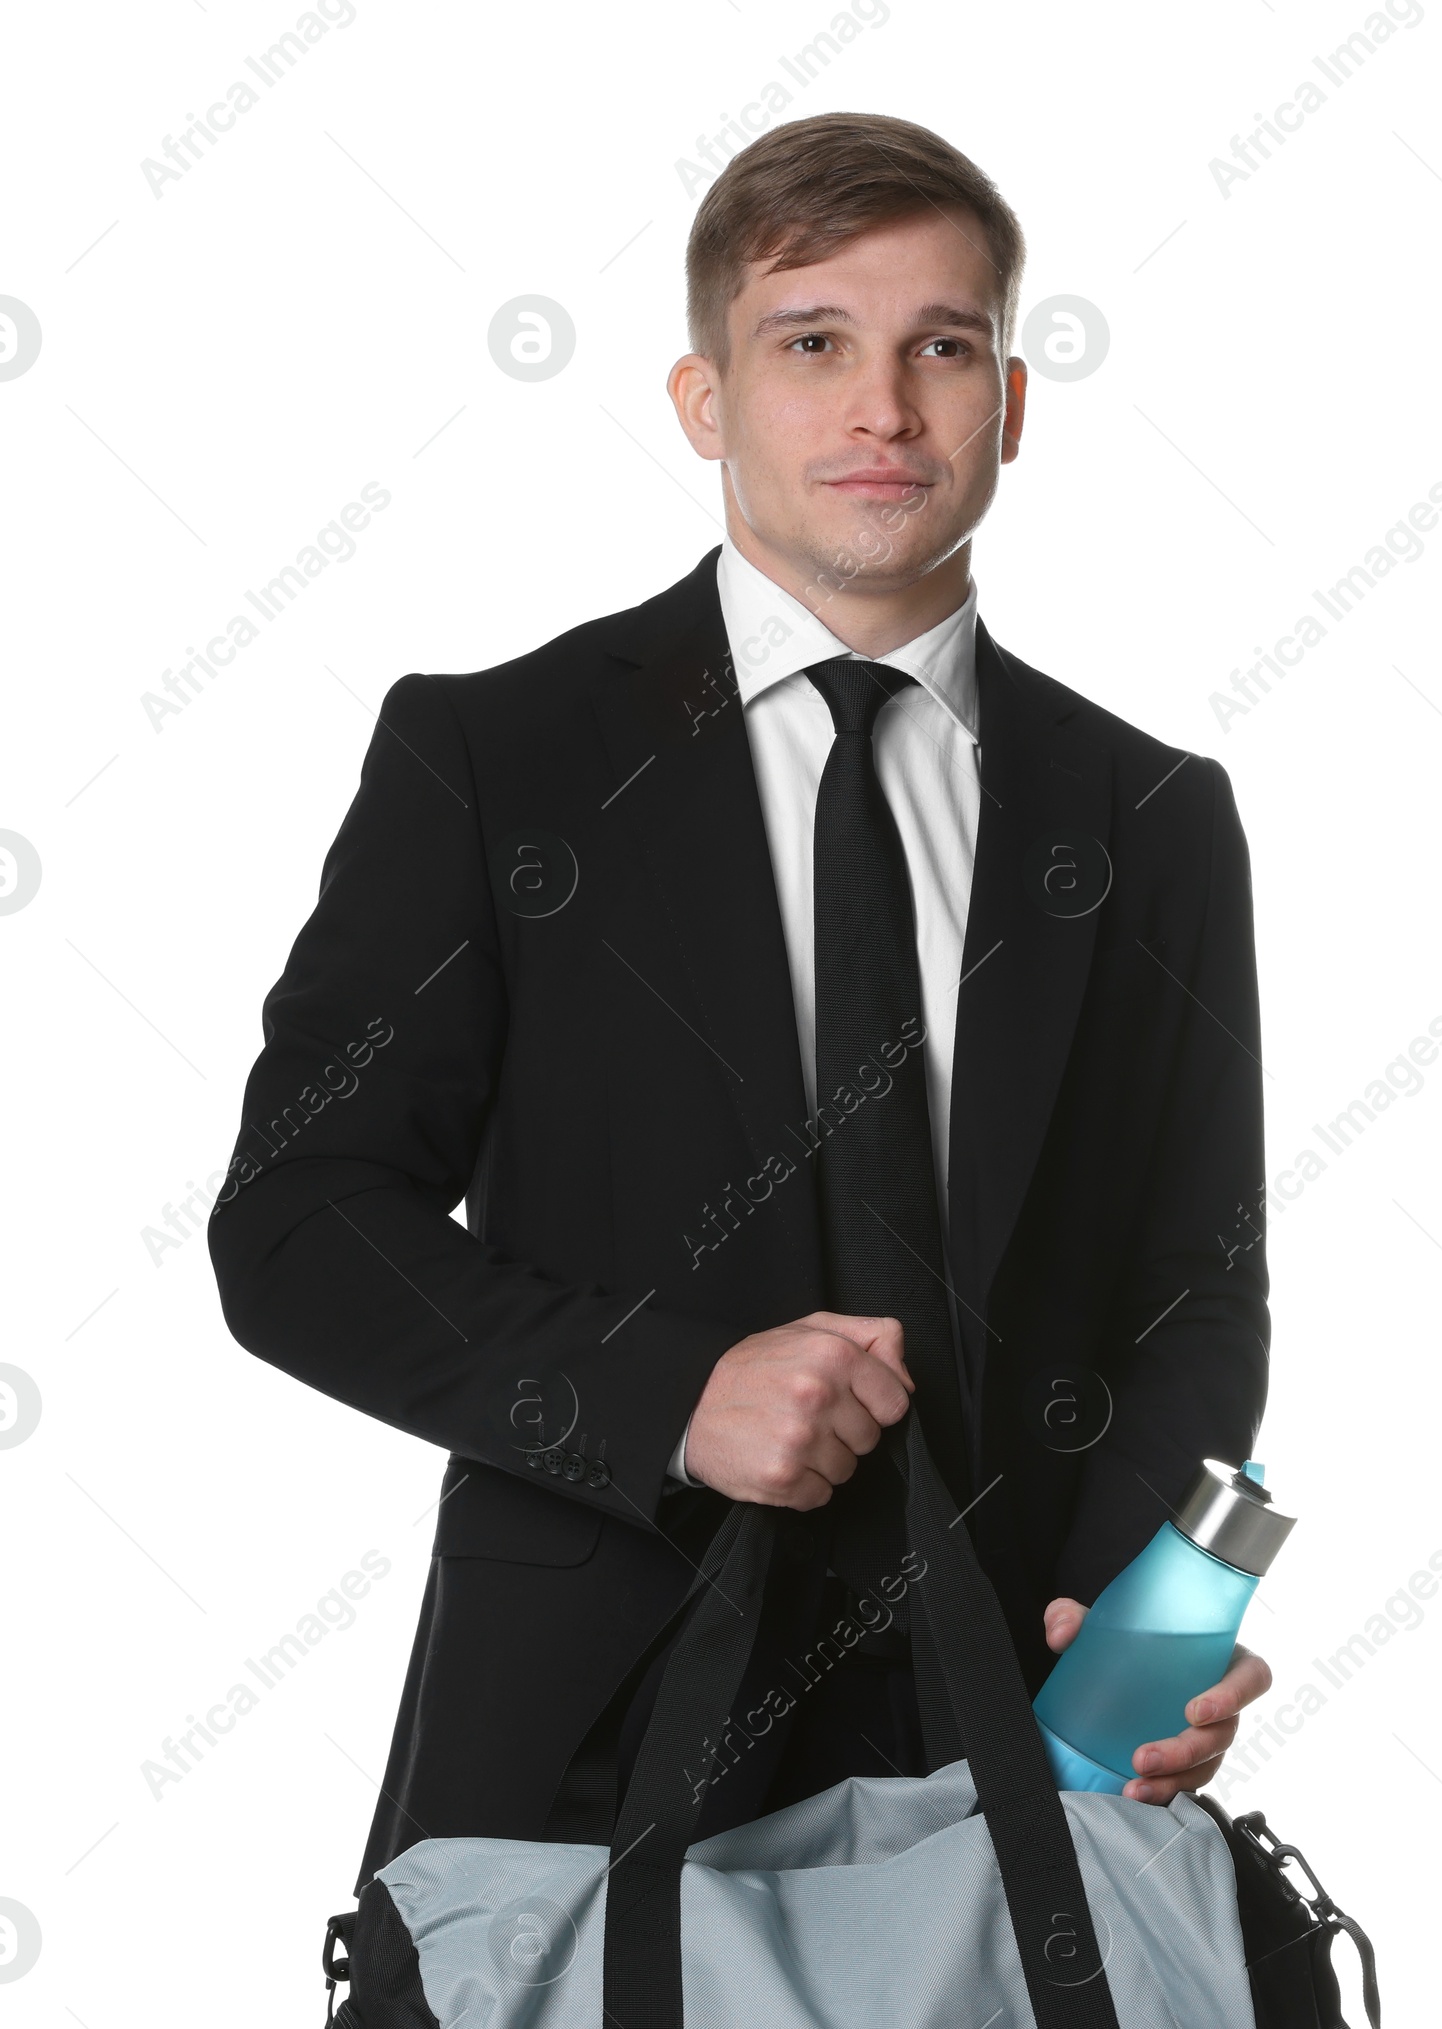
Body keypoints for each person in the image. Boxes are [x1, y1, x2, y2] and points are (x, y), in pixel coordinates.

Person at [208, 112, 1271, 1894]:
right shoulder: (497, 761)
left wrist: (1135, 1645)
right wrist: (664, 1393)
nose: (884, 409)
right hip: (586, 1741)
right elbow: (300, 1224)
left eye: (943, 347)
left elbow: (1196, 1287)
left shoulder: (1150, 816)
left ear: (1010, 404)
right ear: (705, 400)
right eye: (811, 346)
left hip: (1028, 1750)